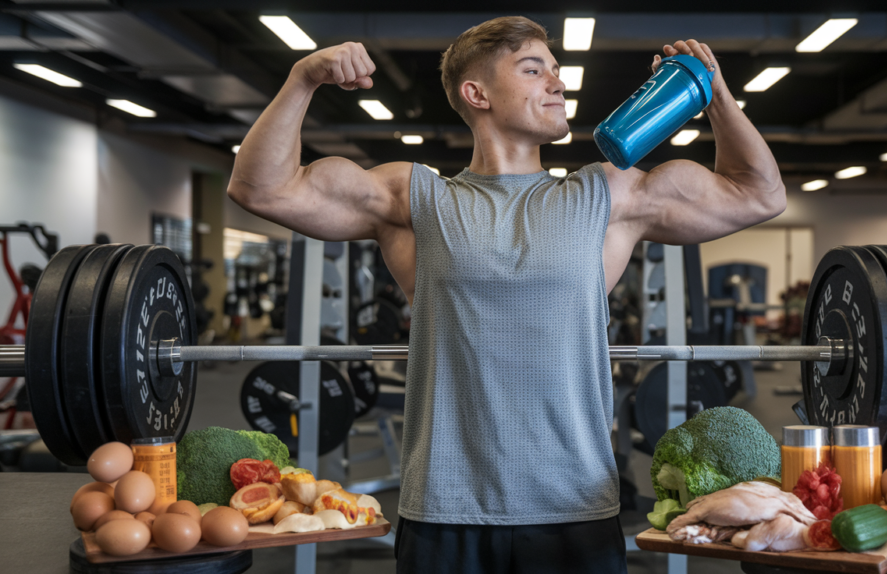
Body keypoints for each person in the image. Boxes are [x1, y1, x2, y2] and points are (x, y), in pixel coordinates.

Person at [228, 16, 786, 574]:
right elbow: (260, 188)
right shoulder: (415, 196)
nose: (557, 82)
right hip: (446, 510)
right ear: (477, 94)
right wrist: (303, 78)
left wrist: (712, 93)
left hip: (574, 507)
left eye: (556, 70)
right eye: (533, 69)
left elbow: (758, 195)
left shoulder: (605, 195)